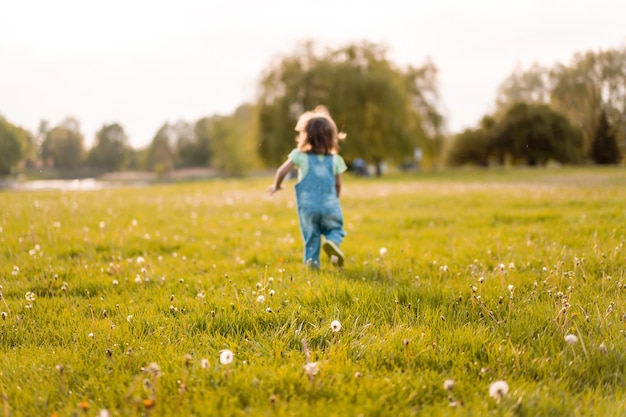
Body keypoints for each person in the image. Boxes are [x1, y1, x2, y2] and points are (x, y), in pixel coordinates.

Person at [268, 106, 347, 268]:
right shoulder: (335, 159)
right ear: (331, 137)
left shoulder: (299, 156)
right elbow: (338, 183)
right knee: (336, 229)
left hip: (308, 208)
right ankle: (332, 242)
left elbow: (281, 171)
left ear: (306, 135)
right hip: (330, 204)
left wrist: (277, 186)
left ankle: (312, 263)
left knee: (311, 236)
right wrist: (334, 198)